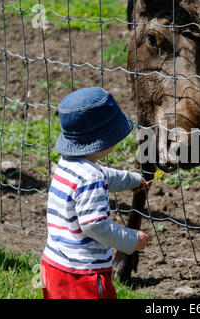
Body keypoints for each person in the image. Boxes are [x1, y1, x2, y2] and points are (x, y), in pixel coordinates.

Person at [41, 87, 152, 299]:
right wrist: (131, 240)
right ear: (104, 139)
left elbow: (104, 174)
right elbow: (94, 224)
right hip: (83, 276)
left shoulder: (67, 164)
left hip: (54, 266)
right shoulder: (91, 178)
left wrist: (131, 180)